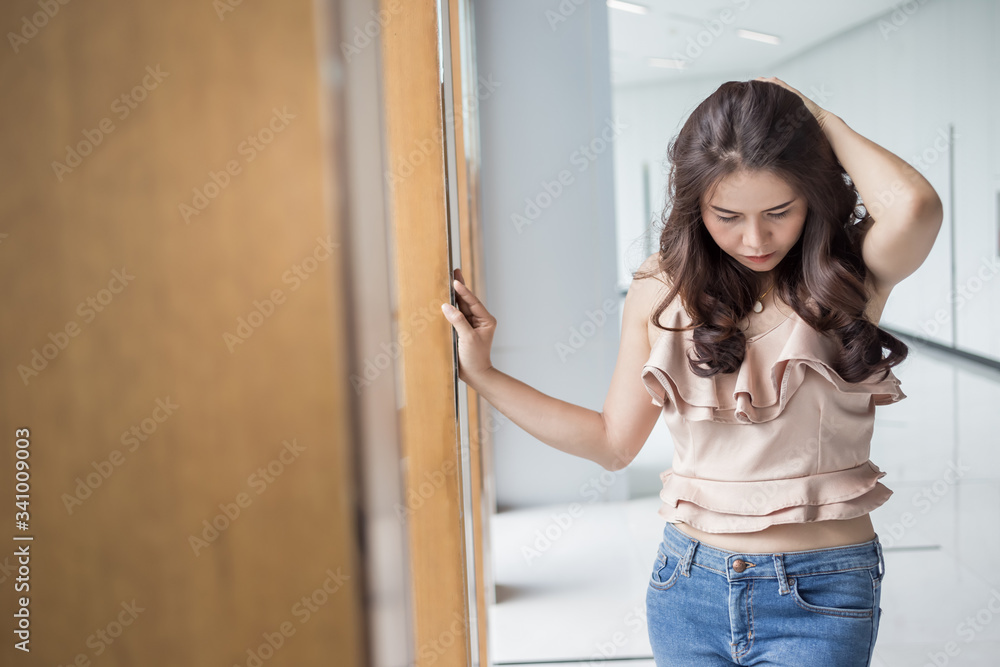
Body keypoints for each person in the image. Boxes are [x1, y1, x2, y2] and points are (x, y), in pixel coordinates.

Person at [440, 76, 942, 665]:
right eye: (727, 214)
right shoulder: (661, 286)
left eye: (780, 211)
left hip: (822, 590)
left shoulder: (845, 273)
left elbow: (915, 206)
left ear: (814, 194)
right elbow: (611, 444)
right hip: (688, 588)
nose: (755, 238)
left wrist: (815, 117)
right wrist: (485, 376)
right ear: (694, 204)